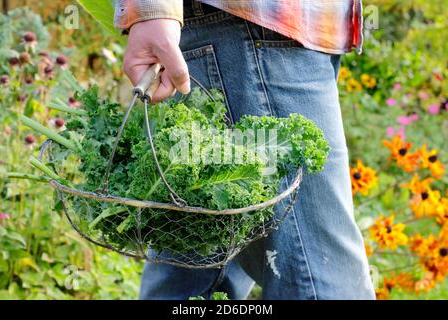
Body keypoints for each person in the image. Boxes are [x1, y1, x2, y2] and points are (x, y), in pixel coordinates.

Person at [114, 0, 375, 300]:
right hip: (253, 28)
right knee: (321, 283)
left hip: (293, 31)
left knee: (195, 275)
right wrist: (152, 8)